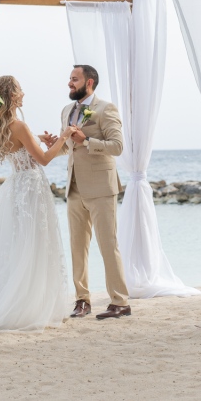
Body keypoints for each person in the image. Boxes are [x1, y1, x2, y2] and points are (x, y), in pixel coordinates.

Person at [0, 76, 74, 332]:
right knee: (34, 242)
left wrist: (38, 139)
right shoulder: (20, 126)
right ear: (12, 96)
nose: (23, 93)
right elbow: (45, 159)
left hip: (16, 187)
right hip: (31, 188)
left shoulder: (3, 126)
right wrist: (64, 136)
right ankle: (31, 304)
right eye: (20, 89)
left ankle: (23, 298)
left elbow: (23, 148)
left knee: (19, 243)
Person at [42, 65, 131, 320]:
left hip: (102, 189)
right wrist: (55, 144)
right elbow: (69, 148)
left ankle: (120, 302)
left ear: (89, 82)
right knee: (77, 247)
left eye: (74, 79)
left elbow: (117, 146)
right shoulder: (66, 111)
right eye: (69, 78)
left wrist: (87, 141)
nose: (69, 83)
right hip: (74, 188)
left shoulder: (106, 109)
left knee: (108, 245)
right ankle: (82, 301)